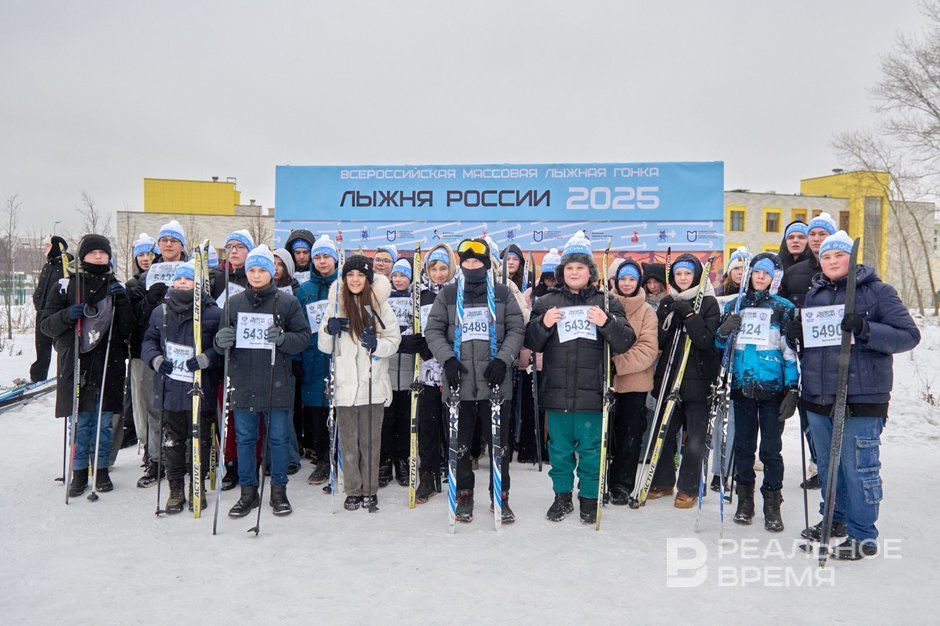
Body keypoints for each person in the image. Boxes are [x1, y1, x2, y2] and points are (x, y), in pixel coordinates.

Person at [788, 230, 920, 560]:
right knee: (829, 467)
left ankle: (862, 534)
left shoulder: (878, 292)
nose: (831, 261)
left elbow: (909, 335)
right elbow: (812, 346)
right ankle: (835, 519)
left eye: (839, 255)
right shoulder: (815, 295)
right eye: (826, 256)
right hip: (819, 396)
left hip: (861, 397)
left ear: (852, 258)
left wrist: (865, 328)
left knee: (858, 467)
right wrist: (796, 335)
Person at [524, 231, 635, 523]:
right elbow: (531, 342)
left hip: (592, 393)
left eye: (580, 267)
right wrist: (543, 324)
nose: (574, 272)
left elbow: (626, 341)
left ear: (590, 272)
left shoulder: (606, 302)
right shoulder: (546, 302)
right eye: (569, 267)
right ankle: (562, 498)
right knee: (559, 451)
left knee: (591, 452)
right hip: (557, 392)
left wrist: (607, 322)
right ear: (562, 271)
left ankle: (588, 498)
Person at [424, 238, 526, 523]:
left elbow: (517, 329)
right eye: (467, 261)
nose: (472, 266)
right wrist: (447, 359)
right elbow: (433, 330)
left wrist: (503, 359)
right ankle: (464, 494)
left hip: (495, 382)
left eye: (477, 262)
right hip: (460, 382)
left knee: (499, 445)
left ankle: (500, 496)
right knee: (460, 444)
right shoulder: (448, 294)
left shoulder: (502, 293)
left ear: (486, 264)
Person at [213, 245, 311, 517]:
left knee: (278, 440)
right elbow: (221, 341)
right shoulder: (234, 303)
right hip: (243, 382)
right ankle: (248, 493)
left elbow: (303, 337)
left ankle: (279, 491)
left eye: (262, 270)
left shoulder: (287, 303)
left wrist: (283, 339)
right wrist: (221, 341)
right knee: (245, 440)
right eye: (252, 270)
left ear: (271, 272)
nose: (256, 275)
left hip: (276, 382)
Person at [41, 234, 134, 496]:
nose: (99, 257)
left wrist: (123, 303)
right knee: (80, 421)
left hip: (108, 362)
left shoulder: (116, 285)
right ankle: (79, 470)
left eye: (103, 253)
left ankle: (101, 468)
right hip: (77, 362)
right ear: (83, 256)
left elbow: (128, 329)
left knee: (104, 421)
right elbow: (46, 325)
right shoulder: (66, 285)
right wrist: (66, 316)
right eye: (93, 252)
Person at [715, 253, 797, 532]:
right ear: (749, 275)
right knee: (743, 447)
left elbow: (790, 351)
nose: (760, 277)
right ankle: (744, 500)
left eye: (766, 274)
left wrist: (793, 387)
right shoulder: (735, 304)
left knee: (771, 450)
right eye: (756, 272)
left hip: (773, 388)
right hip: (742, 387)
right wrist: (723, 331)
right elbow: (719, 346)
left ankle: (772, 503)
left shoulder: (783, 308)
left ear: (774, 278)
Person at [319, 255, 401, 511]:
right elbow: (324, 346)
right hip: (344, 387)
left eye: (360, 275)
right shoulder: (335, 305)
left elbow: (394, 340)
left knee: (370, 442)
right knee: (348, 442)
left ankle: (370, 489)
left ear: (368, 279)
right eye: (350, 275)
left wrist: (377, 345)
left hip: (371, 385)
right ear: (344, 278)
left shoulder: (380, 306)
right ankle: (353, 490)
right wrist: (329, 330)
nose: (355, 280)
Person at [140, 262, 222, 513]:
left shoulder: (213, 313)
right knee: (172, 441)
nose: (183, 282)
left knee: (201, 439)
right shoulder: (160, 312)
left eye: (189, 279)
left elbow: (220, 347)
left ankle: (197, 485)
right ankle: (175, 487)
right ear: (173, 283)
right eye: (180, 279)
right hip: (170, 388)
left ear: (198, 284)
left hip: (200, 388)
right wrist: (155, 359)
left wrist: (207, 358)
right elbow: (149, 341)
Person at [648, 253, 721, 508]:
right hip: (670, 375)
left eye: (687, 273)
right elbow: (659, 341)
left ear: (697, 276)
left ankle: (688, 486)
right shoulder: (668, 302)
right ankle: (662, 480)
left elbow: (705, 340)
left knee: (695, 438)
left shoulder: (709, 303)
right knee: (665, 431)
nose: (682, 278)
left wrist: (690, 316)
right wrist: (668, 317)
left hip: (699, 378)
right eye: (678, 274)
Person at [778, 212, 837, 490]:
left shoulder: (840, 268)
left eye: (821, 234)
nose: (814, 239)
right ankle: (819, 464)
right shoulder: (793, 273)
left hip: (833, 354)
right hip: (802, 352)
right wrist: (790, 327)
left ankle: (832, 465)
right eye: (811, 234)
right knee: (808, 411)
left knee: (829, 411)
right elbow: (782, 308)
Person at [130, 221, 186, 489]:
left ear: (182, 245)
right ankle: (156, 459)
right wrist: (148, 300)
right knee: (154, 408)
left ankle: (184, 457)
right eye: (164, 240)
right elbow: (135, 321)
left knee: (182, 407)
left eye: (174, 240)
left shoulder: (192, 272)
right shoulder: (145, 277)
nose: (168, 244)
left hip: (183, 348)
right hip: (154, 351)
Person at [607, 259, 658, 504]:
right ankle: (598, 481)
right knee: (604, 437)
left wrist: (617, 365)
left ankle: (621, 484)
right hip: (605, 383)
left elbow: (647, 349)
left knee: (630, 437)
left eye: (632, 279)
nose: (627, 283)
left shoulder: (647, 312)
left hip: (634, 384)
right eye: (623, 279)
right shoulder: (603, 305)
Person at [295, 234, 341, 486]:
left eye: (326, 257)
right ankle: (323, 458)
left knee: (340, 408)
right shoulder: (305, 291)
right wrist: (296, 358)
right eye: (318, 257)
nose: (322, 261)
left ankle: (340, 456)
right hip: (313, 358)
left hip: (339, 356)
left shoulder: (344, 285)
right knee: (317, 411)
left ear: (335, 259)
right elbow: (297, 326)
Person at [413, 243, 456, 502]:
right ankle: (427, 475)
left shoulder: (458, 292)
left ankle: (456, 473)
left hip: (453, 370)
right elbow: (408, 326)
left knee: (453, 427)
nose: (438, 273)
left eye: (443, 268)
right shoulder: (419, 294)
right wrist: (415, 342)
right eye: (433, 268)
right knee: (427, 428)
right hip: (427, 372)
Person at [218, 229, 255, 490]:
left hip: (252, 355)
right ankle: (230, 461)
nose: (234, 251)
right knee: (228, 412)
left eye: (240, 246)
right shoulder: (217, 278)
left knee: (252, 412)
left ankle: (254, 460)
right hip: (225, 354)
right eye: (230, 246)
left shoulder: (256, 277)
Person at [515, 248, 560, 464]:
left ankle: (551, 449)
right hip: (531, 361)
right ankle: (529, 449)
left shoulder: (563, 297)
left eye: (554, 276)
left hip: (555, 361)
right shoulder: (529, 294)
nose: (551, 281)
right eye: (548, 275)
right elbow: (525, 325)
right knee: (530, 408)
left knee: (553, 410)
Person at [380, 258, 421, 487]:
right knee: (386, 420)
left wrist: (414, 341)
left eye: (403, 275)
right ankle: (385, 460)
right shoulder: (382, 299)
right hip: (387, 367)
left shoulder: (416, 299)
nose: (398, 279)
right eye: (395, 275)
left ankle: (404, 460)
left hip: (407, 367)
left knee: (406, 419)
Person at [30, 236, 72, 382]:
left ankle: (65, 376)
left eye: (48, 245)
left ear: (56, 247)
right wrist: (36, 300)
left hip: (58, 314)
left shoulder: (67, 265)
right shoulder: (47, 266)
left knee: (62, 346)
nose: (44, 248)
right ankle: (38, 378)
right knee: (42, 347)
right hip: (42, 313)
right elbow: (41, 288)